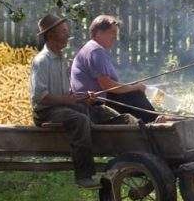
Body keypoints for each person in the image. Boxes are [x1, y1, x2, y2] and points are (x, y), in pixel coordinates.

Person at [29, 14, 136, 189]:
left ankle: (123, 155)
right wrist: (69, 99)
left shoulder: (62, 59)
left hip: (62, 106)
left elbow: (67, 92)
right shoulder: (42, 61)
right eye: (63, 31)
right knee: (79, 120)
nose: (67, 35)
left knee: (95, 110)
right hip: (45, 112)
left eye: (67, 31)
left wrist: (84, 96)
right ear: (50, 35)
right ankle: (84, 176)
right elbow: (40, 96)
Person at [70, 15, 158, 123]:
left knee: (133, 92)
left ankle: (153, 119)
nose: (115, 37)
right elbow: (107, 86)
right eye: (112, 32)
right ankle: (155, 121)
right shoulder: (96, 50)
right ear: (98, 32)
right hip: (94, 103)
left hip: (95, 100)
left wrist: (132, 86)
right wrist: (135, 87)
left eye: (116, 33)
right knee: (135, 94)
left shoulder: (91, 48)